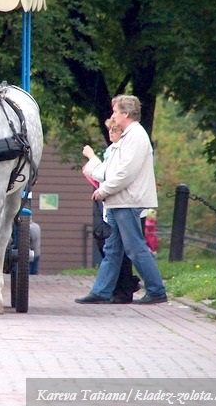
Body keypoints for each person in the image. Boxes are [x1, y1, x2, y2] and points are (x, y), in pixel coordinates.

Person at [75, 94, 167, 305]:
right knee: (112, 249)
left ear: (126, 113)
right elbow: (109, 170)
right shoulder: (125, 137)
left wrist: (104, 191)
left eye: (116, 111)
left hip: (128, 201)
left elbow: (125, 173)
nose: (112, 115)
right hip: (119, 201)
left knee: (135, 248)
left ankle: (156, 290)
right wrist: (93, 164)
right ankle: (101, 291)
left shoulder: (136, 136)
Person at [81, 118, 141, 303]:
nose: (111, 134)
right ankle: (111, 289)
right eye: (110, 131)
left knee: (127, 248)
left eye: (114, 130)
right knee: (113, 248)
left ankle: (136, 287)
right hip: (113, 203)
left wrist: (91, 158)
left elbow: (106, 174)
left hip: (121, 203)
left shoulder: (122, 150)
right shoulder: (113, 150)